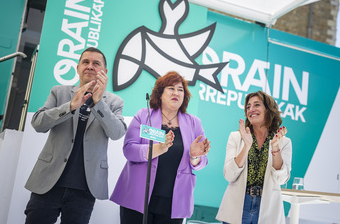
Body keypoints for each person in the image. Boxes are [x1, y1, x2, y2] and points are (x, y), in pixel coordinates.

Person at [24, 47, 127, 224]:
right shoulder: (59, 92)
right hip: (48, 182)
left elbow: (117, 133)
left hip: (85, 188)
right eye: (85, 62)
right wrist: (70, 106)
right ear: (78, 67)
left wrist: (98, 103)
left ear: (104, 71)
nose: (90, 66)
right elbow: (38, 124)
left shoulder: (114, 102)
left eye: (96, 63)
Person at [110, 71, 211, 224]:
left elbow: (201, 163)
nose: (176, 92)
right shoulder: (144, 116)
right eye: (171, 88)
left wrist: (195, 156)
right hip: (138, 198)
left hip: (174, 203)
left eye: (180, 89)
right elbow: (129, 150)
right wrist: (157, 149)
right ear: (160, 93)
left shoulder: (194, 123)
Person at [216, 91, 292, 224]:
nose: (251, 110)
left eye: (256, 105)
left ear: (269, 110)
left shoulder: (284, 142)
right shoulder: (236, 137)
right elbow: (229, 175)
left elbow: (281, 179)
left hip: (268, 209)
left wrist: (275, 148)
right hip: (237, 206)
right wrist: (246, 146)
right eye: (248, 107)